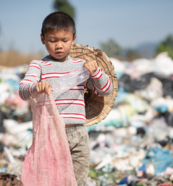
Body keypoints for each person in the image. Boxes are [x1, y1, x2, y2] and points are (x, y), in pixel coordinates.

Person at [19, 12, 113, 185]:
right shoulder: (39, 66)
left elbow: (107, 90)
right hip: (50, 136)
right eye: (53, 40)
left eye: (65, 40)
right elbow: (23, 90)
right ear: (42, 39)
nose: (59, 46)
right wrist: (35, 87)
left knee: (78, 182)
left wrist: (96, 72)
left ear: (73, 39)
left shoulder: (80, 65)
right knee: (52, 180)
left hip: (78, 134)